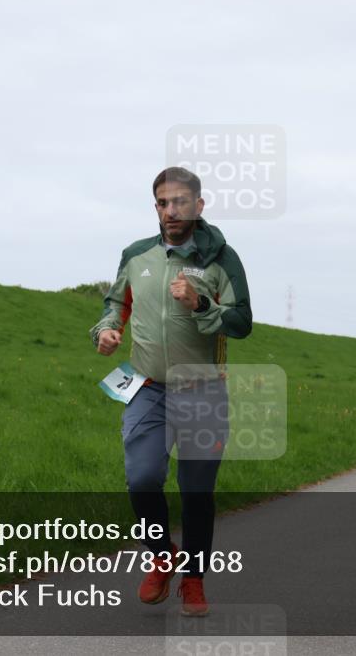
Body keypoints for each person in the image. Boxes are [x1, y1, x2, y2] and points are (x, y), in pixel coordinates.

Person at [90, 166, 251, 617]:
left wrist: (200, 303)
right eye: (163, 203)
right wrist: (105, 331)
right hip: (146, 387)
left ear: (198, 205)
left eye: (180, 202)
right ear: (155, 207)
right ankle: (163, 555)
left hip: (203, 391)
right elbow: (114, 304)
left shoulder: (221, 259)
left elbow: (242, 322)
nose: (171, 211)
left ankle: (194, 581)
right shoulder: (136, 255)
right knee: (142, 478)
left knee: (196, 491)